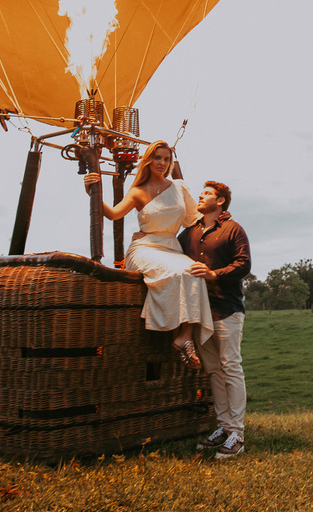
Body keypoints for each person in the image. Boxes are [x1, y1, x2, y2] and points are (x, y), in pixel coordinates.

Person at [84, 140, 211, 368]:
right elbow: (113, 214)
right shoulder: (138, 191)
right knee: (177, 273)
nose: (162, 163)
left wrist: (220, 216)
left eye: (166, 159)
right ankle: (177, 336)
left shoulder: (179, 187)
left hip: (171, 247)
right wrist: (92, 192)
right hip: (145, 247)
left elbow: (195, 218)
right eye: (157, 158)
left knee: (194, 272)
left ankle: (184, 336)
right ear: (148, 161)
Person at [178, 181, 250, 460]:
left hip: (227, 309)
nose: (200, 195)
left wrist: (213, 274)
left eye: (207, 193)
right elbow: (172, 254)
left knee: (230, 367)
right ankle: (223, 427)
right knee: (213, 371)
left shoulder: (233, 229)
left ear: (220, 201)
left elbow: (243, 264)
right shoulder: (189, 233)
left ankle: (237, 434)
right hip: (200, 312)